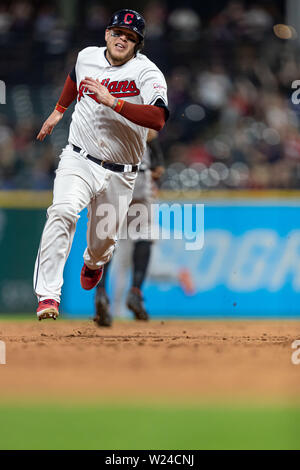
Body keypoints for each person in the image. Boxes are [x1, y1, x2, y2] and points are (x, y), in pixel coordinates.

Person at [33, 9, 169, 320]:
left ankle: (93, 263)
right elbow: (74, 77)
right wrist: (59, 109)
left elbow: (158, 118)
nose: (123, 38)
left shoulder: (147, 73)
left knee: (101, 246)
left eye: (131, 37)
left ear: (137, 45)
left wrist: (114, 102)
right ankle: (48, 296)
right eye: (119, 32)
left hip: (122, 173)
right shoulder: (86, 57)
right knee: (62, 210)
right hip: (79, 158)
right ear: (107, 33)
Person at [94, 130, 164, 326]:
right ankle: (136, 291)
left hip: (108, 175)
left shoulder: (99, 103)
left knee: (105, 239)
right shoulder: (138, 102)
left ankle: (100, 293)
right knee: (144, 233)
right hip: (139, 176)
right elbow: (150, 133)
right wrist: (158, 161)